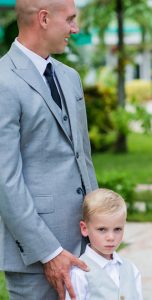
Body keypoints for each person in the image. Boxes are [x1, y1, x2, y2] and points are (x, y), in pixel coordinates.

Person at [0, 0, 98, 299]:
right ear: (43, 19)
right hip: (34, 255)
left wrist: (100, 229)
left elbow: (83, 158)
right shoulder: (3, 80)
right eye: (69, 19)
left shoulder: (70, 77)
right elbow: (5, 181)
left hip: (87, 247)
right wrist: (49, 252)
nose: (75, 28)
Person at [65, 188, 143, 300]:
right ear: (84, 228)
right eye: (102, 229)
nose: (111, 237)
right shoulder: (79, 274)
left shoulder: (131, 269)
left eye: (117, 229)